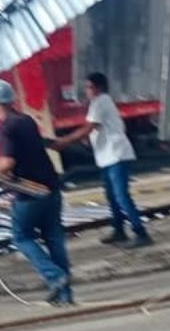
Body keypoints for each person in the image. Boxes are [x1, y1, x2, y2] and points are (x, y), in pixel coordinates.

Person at [0, 79, 72, 304]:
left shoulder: (5, 128)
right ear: (12, 100)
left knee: (21, 237)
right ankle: (65, 295)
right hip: (51, 187)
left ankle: (55, 276)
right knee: (54, 237)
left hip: (28, 192)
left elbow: (8, 163)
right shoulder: (27, 120)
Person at [53, 72, 151, 248]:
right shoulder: (96, 104)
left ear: (98, 88)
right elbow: (92, 129)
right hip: (107, 157)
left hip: (116, 156)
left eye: (88, 87)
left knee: (121, 196)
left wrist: (65, 141)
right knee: (112, 197)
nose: (86, 90)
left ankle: (141, 232)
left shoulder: (102, 101)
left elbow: (89, 127)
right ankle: (119, 230)